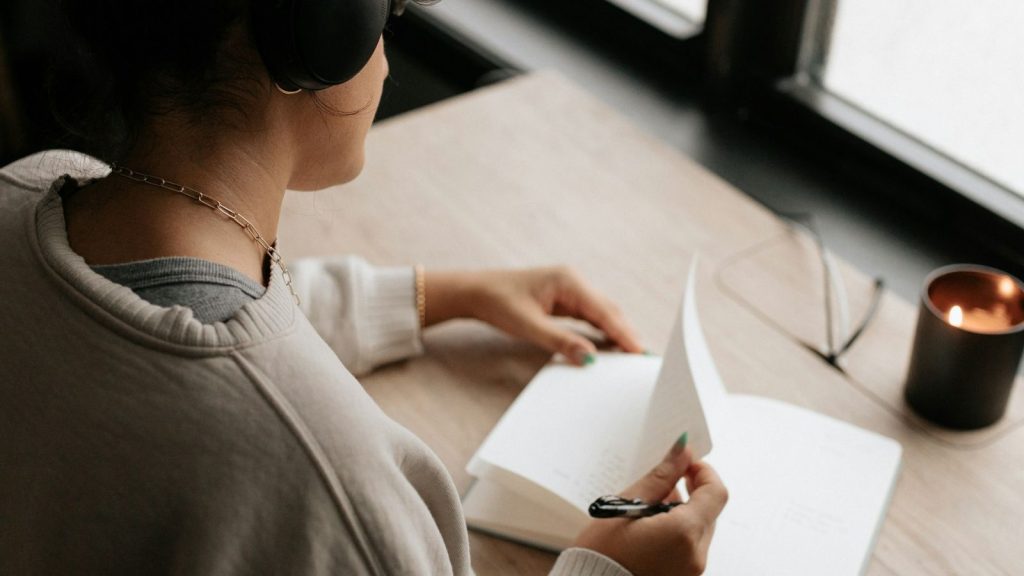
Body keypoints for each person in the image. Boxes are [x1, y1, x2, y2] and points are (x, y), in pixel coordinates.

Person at [0, 0, 727, 574]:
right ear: (319, 34)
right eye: (386, 15)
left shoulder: (25, 191)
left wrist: (438, 295)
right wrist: (604, 572)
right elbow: (248, 386)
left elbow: (170, 321)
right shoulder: (331, 493)